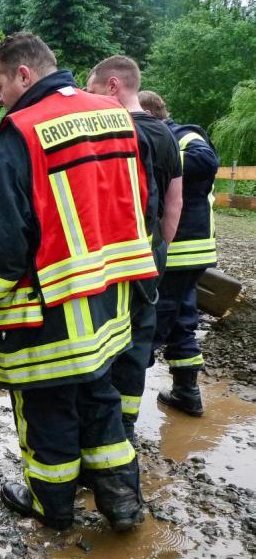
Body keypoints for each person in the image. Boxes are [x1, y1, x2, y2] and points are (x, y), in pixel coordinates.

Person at [0, 33, 158, 532]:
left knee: (45, 404)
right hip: (110, 299)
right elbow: (145, 203)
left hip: (48, 306)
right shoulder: (116, 117)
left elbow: (4, 240)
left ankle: (51, 506)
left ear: (24, 75)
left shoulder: (18, 135)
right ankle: (122, 504)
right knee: (100, 399)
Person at [87, 56, 183, 442]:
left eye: (92, 91)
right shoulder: (166, 135)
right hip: (153, 251)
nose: (90, 100)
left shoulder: (115, 133)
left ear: (113, 86)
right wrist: (160, 247)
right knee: (139, 337)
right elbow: (175, 201)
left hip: (115, 255)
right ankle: (126, 427)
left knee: (106, 337)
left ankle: (101, 427)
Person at [139, 90, 219, 416]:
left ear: (149, 114)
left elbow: (207, 160)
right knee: (183, 320)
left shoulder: (184, 136)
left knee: (151, 321)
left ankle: (119, 396)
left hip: (180, 249)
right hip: (189, 251)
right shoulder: (169, 138)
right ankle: (187, 392)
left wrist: (162, 159)